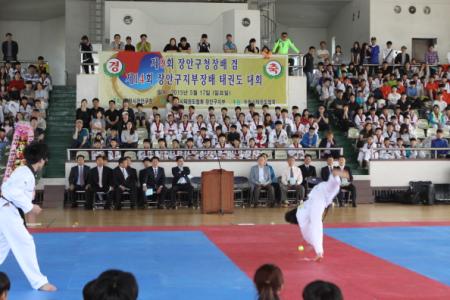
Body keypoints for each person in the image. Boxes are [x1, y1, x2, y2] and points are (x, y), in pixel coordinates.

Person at [0, 143, 57, 291]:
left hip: (7, 210)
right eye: (45, 159)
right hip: (7, 211)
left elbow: (12, 190)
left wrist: (28, 201)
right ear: (42, 160)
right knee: (26, 243)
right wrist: (31, 207)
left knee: (2, 246)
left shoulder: (25, 172)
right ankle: (39, 282)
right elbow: (12, 191)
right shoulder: (25, 172)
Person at [285, 167, 350, 261]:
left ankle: (319, 251)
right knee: (304, 227)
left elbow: (334, 179)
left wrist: (337, 173)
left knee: (316, 224)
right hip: (307, 204)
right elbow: (333, 176)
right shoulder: (325, 184)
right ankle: (316, 246)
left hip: (318, 202)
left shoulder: (333, 186)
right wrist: (337, 173)